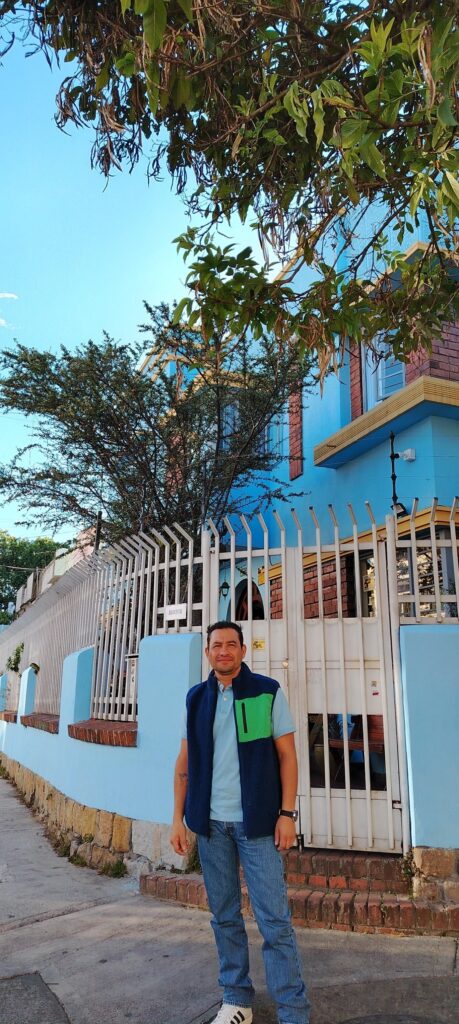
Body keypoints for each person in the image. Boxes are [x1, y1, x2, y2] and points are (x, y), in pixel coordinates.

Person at [170, 621, 310, 1024]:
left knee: (275, 923)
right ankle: (236, 1001)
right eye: (217, 645)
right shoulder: (196, 698)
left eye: (231, 644)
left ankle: (293, 1012)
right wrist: (177, 819)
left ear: (243, 651)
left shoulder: (266, 692)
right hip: (211, 827)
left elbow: (287, 756)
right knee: (225, 917)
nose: (224, 651)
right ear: (208, 652)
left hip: (258, 826)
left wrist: (287, 814)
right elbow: (184, 764)